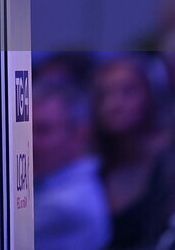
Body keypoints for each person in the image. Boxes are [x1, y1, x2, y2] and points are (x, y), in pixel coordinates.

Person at [93, 52, 175, 250]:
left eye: (127, 91)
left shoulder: (169, 161)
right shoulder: (96, 165)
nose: (114, 105)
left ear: (150, 94)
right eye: (104, 94)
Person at [32, 79, 110, 250]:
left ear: (80, 135)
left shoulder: (67, 204)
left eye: (43, 130)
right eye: (27, 130)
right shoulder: (53, 182)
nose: (29, 142)